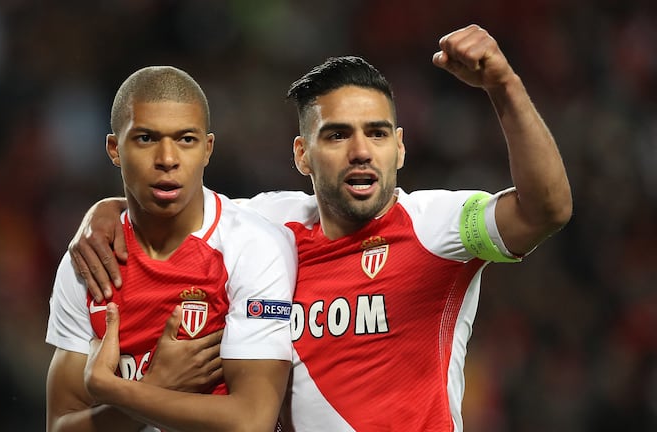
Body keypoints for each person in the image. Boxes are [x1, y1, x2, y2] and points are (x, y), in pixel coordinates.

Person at [69, 25, 573, 431]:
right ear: (302, 155)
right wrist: (107, 210)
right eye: (336, 135)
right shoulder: (267, 228)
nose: (361, 151)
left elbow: (546, 211)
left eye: (377, 133)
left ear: (399, 147)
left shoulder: (436, 228)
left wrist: (504, 87)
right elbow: (173, 209)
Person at [45, 66, 297, 432]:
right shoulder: (90, 261)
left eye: (186, 139)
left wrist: (115, 390)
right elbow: (60, 426)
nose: (167, 158)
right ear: (115, 149)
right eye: (146, 138)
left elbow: (251, 422)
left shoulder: (251, 247)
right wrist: (155, 385)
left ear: (207, 149)